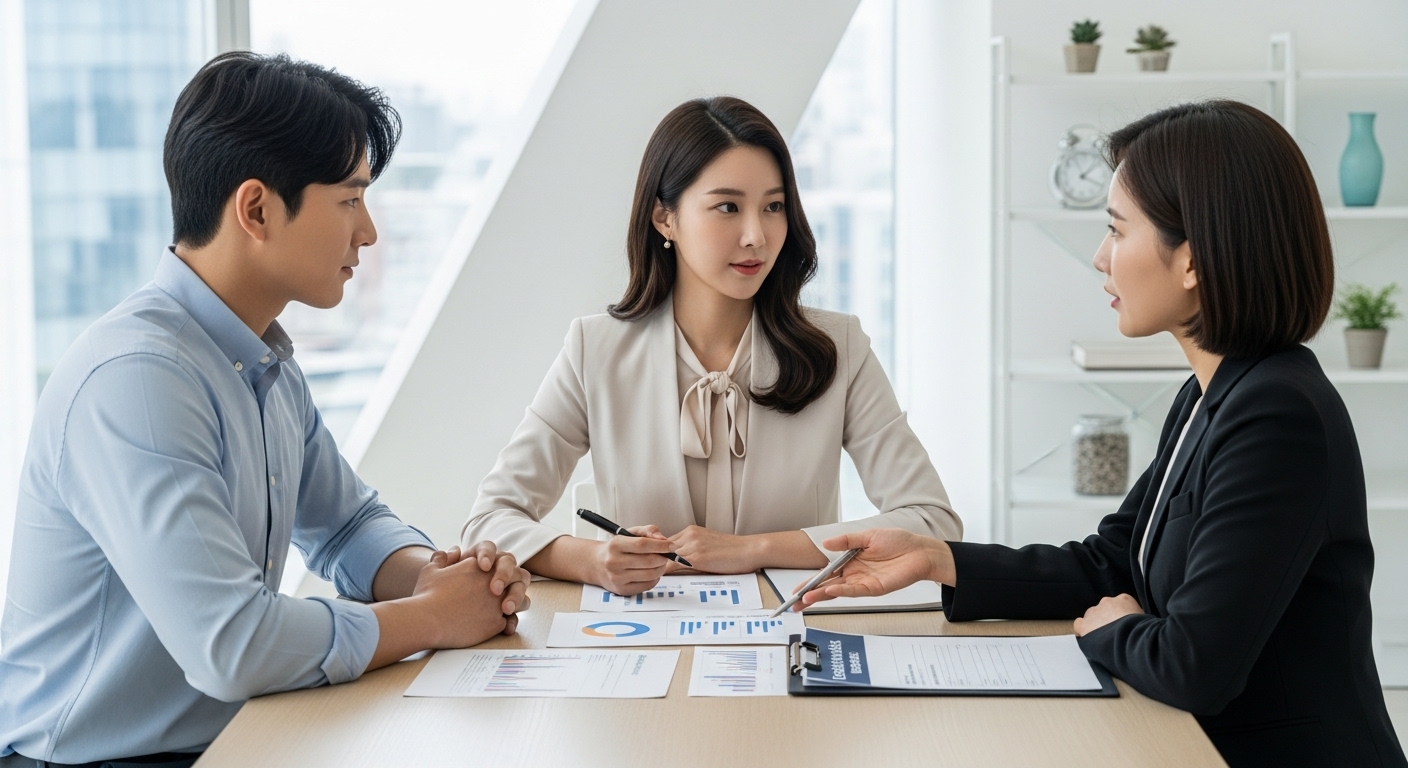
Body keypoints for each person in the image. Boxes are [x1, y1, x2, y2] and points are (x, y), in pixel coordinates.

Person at [797, 100, 1407, 767]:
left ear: (1193, 260)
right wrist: (935, 558)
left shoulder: (1276, 417)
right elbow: (1111, 564)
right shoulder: (1214, 394)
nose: (1099, 258)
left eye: (1117, 231)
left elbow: (1194, 664)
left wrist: (1117, 629)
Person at [0, 52, 530, 767]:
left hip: (232, 741)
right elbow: (234, 645)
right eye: (349, 200)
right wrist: (435, 616)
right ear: (255, 208)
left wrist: (432, 575)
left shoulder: (262, 360)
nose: (367, 233)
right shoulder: (138, 380)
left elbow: (345, 526)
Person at [463, 96, 962, 595]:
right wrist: (592, 560)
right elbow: (489, 519)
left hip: (790, 637)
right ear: (665, 218)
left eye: (773, 207)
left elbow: (932, 522)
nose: (756, 237)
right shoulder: (596, 350)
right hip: (634, 645)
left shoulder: (839, 348)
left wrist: (754, 550)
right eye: (727, 207)